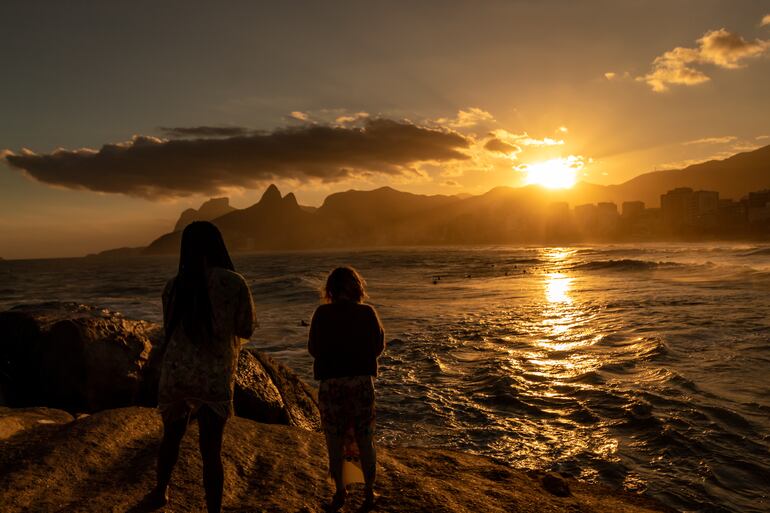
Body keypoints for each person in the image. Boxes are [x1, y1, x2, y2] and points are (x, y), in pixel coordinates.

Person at [150, 221, 256, 513]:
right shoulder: (233, 282)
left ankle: (160, 491)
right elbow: (246, 328)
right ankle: (213, 510)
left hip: (176, 372)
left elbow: (169, 329)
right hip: (213, 374)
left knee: (171, 437)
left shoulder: (173, 286)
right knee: (211, 451)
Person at [308, 266, 385, 511]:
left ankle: (340, 492)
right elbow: (378, 347)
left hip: (332, 385)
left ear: (330, 289)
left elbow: (313, 349)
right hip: (360, 384)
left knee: (335, 439)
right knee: (364, 438)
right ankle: (369, 492)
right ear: (357, 288)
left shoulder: (322, 314)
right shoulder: (367, 313)